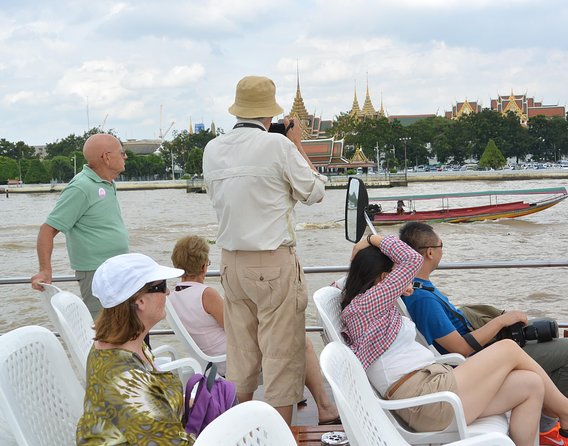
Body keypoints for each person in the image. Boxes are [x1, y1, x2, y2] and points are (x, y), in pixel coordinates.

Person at [340, 234, 568, 446]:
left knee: (530, 384)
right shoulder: (367, 305)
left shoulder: (365, 305)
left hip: (430, 393)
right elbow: (410, 258)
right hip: (425, 398)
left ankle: (561, 419)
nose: (406, 278)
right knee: (509, 349)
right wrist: (370, 240)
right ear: (385, 279)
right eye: (398, 275)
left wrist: (363, 258)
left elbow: (361, 277)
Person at [202, 75, 326, 424]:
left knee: (240, 353)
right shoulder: (278, 146)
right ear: (270, 115)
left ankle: (240, 432)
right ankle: (278, 434)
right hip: (272, 262)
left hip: (230, 264)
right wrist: (296, 144)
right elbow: (315, 191)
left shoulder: (213, 148)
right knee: (281, 354)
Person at [398, 222, 568, 446]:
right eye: (442, 245)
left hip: (481, 352)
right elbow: (459, 348)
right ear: (430, 252)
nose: (443, 250)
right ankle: (551, 426)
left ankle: (555, 418)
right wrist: (500, 322)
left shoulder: (420, 286)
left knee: (545, 339)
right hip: (474, 361)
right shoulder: (423, 298)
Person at [169, 235, 339, 424]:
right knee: (300, 341)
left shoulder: (172, 297)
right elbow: (234, 326)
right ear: (203, 266)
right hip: (230, 359)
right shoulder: (205, 294)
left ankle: (299, 397)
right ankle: (324, 406)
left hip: (210, 361)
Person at [76, 253, 194, 445]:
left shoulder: (126, 343)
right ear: (140, 301)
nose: (168, 293)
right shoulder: (127, 379)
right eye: (162, 286)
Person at [31, 133, 129, 317]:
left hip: (117, 270)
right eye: (121, 152)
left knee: (129, 329)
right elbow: (47, 230)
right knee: (108, 333)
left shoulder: (107, 183)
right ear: (107, 157)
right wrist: (45, 270)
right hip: (97, 274)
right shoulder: (81, 187)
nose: (125, 156)